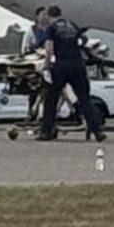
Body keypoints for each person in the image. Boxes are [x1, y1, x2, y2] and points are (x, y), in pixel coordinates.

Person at [37, 7, 104, 142]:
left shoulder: (52, 28)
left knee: (51, 99)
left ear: (50, 16)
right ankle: (96, 131)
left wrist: (46, 65)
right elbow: (84, 40)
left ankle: (46, 131)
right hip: (78, 65)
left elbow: (49, 49)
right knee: (84, 99)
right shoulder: (72, 26)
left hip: (62, 66)